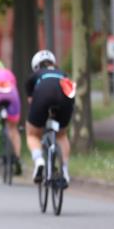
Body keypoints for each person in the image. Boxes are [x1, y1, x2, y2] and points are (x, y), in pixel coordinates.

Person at [24, 50, 76, 186]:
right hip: (66, 97)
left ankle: (39, 161)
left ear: (36, 66)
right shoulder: (63, 74)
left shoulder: (35, 75)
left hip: (43, 94)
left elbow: (31, 100)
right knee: (62, 135)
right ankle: (64, 170)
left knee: (32, 134)